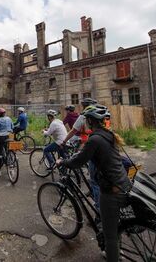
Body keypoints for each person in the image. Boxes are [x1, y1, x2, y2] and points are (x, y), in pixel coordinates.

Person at [57, 106, 132, 262]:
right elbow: (87, 153)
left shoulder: (95, 139)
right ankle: (117, 249)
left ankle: (113, 256)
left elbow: (79, 161)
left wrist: (63, 162)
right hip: (123, 185)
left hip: (112, 192)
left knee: (110, 235)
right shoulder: (107, 135)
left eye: (87, 121)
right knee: (114, 225)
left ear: (90, 121)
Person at [0, 108, 13, 177]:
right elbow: (12, 126)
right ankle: (10, 161)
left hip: (0, 137)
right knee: (7, 149)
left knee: (0, 154)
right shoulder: (9, 118)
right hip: (8, 136)